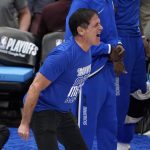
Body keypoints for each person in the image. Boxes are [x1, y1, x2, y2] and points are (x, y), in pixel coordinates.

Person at [18, 8, 103, 150]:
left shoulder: (87, 50)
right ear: (81, 31)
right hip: (42, 110)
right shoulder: (63, 55)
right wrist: (24, 123)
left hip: (63, 112)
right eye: (96, 25)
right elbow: (35, 87)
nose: (101, 27)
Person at [65, 0, 125, 150]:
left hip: (107, 71)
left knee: (109, 128)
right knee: (83, 133)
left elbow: (112, 33)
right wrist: (108, 49)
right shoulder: (81, 3)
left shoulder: (108, 1)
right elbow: (73, 42)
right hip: (88, 75)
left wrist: (118, 46)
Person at [113, 0, 147, 149]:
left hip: (136, 37)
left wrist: (144, 35)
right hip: (120, 37)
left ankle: (124, 143)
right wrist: (115, 44)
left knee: (139, 91)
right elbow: (107, 16)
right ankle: (115, 144)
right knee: (120, 97)